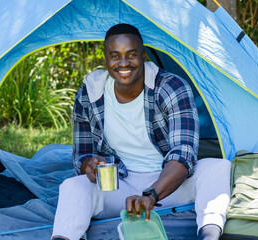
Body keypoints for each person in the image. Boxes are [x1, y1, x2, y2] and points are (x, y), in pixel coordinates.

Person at [51, 23, 231, 240]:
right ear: (106, 58)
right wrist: (87, 165)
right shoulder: (89, 95)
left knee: (219, 167)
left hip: (171, 185)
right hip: (120, 185)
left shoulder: (171, 88)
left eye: (131, 55)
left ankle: (210, 235)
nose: (123, 63)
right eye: (115, 56)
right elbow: (83, 154)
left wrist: (152, 194)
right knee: (73, 186)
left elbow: (184, 154)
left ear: (143, 56)